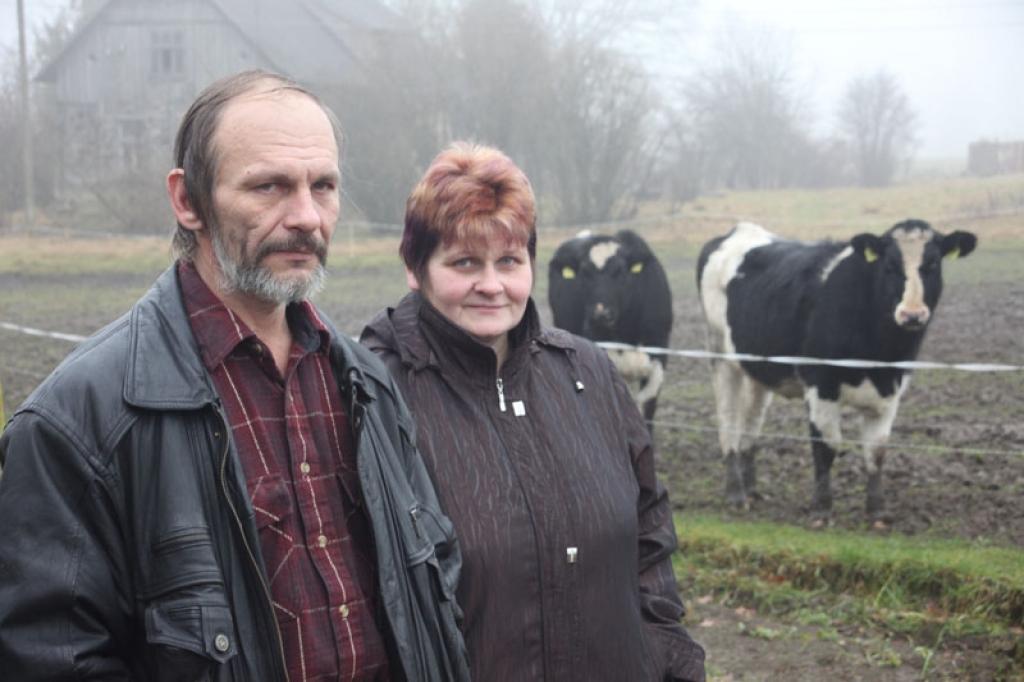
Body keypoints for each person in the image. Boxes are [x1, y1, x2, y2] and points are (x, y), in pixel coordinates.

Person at [0, 70, 469, 682]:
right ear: (188, 200)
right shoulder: (80, 421)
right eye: (269, 187)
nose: (306, 217)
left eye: (322, 186)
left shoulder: (366, 385)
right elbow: (50, 658)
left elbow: (435, 587)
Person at [361, 142, 706, 681]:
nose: (492, 285)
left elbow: (650, 532)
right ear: (415, 267)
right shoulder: (374, 393)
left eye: (509, 261)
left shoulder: (586, 372)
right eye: (464, 262)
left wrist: (665, 651)